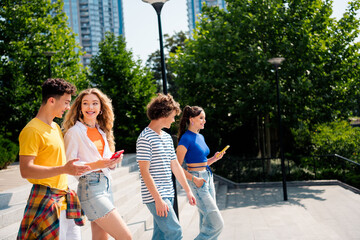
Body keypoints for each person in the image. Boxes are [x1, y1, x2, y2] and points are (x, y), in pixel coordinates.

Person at [17, 78, 91, 240]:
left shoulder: (55, 127)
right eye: (66, 102)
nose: (68, 107)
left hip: (64, 201)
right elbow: (26, 170)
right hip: (45, 200)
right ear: (51, 100)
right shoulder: (31, 130)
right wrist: (64, 169)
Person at [62, 88, 132, 240]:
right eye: (86, 103)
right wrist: (98, 164)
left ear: (101, 108)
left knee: (101, 237)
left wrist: (112, 162)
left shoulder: (101, 131)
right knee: (126, 237)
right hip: (90, 188)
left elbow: (105, 163)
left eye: (95, 103)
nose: (90, 107)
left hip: (106, 186)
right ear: (80, 107)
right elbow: (70, 167)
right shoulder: (74, 132)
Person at [136, 93, 196, 240]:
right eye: (173, 116)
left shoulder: (167, 137)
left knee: (160, 235)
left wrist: (188, 190)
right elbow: (145, 172)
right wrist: (158, 199)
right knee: (175, 232)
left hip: (168, 193)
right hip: (156, 196)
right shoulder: (144, 138)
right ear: (165, 114)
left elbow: (175, 165)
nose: (174, 120)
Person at [176, 105, 225, 240]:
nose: (204, 121)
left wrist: (214, 159)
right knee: (217, 224)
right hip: (197, 180)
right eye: (201, 118)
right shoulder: (185, 139)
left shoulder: (200, 136)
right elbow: (176, 166)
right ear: (191, 119)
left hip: (207, 177)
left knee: (207, 222)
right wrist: (194, 179)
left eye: (204, 118)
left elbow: (202, 163)